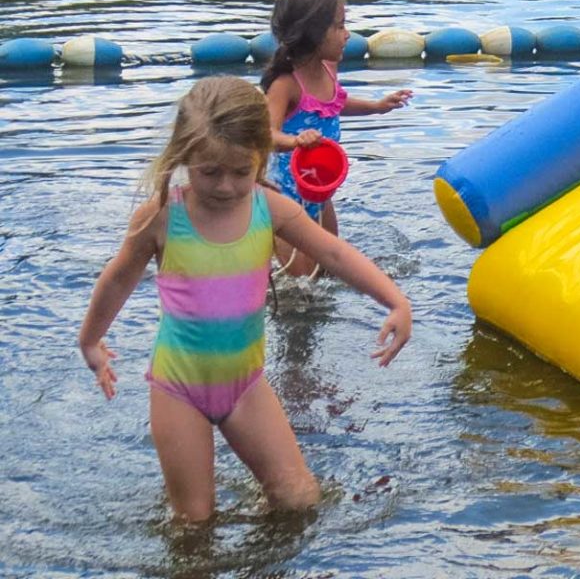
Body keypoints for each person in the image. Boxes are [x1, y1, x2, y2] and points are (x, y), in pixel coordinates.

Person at [77, 76, 412, 522]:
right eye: (209, 171)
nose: (225, 186)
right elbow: (118, 279)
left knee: (299, 501)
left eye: (241, 171)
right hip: (179, 389)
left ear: (262, 157)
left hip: (246, 387)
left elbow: (332, 251)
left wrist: (396, 301)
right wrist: (90, 343)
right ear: (183, 157)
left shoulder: (267, 208)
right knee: (194, 523)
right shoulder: (162, 215)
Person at [262, 0, 411, 277]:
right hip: (284, 201)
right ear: (313, 33)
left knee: (328, 273)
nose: (348, 35)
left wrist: (377, 106)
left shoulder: (329, 67)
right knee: (300, 286)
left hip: (319, 194)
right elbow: (267, 133)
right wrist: (295, 141)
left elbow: (334, 103)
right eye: (340, 26)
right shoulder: (286, 84)